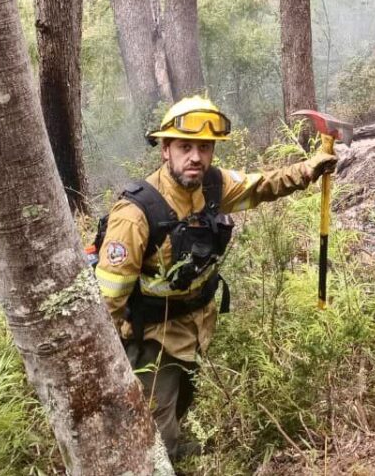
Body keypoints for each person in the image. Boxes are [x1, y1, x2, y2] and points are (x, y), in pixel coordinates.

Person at [92, 96, 336, 460]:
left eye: (204, 148)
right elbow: (108, 299)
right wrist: (104, 372)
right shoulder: (136, 213)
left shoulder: (213, 186)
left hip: (197, 326)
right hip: (152, 338)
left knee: (182, 403)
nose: (196, 157)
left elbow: (260, 185)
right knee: (156, 428)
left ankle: (181, 452)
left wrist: (308, 170)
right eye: (185, 147)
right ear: (165, 150)